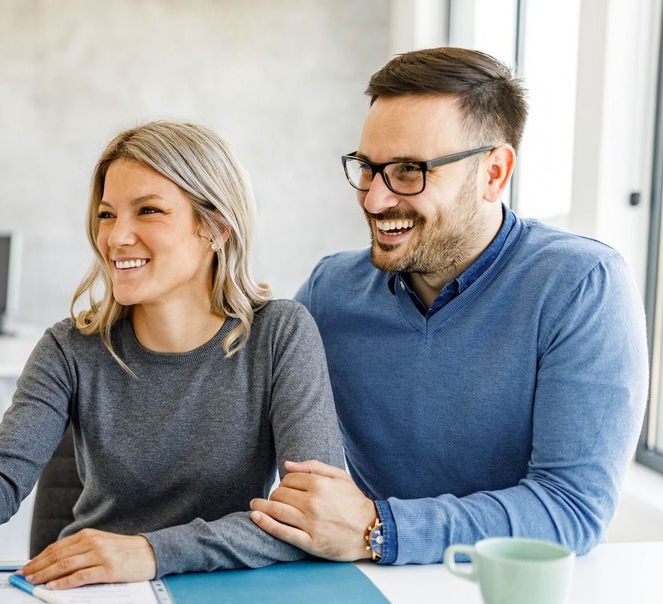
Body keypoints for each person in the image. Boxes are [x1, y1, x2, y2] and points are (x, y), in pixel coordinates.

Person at [249, 47, 649, 565]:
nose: (374, 199)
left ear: (494, 173)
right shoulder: (330, 290)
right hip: (357, 588)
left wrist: (379, 528)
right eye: (368, 169)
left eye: (410, 171)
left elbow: (570, 508)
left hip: (499, 601)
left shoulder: (580, 287)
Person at [0, 120, 345, 589]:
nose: (115, 238)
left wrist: (153, 552)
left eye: (148, 211)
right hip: (94, 596)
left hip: (226, 590)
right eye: (107, 214)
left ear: (215, 226)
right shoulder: (69, 349)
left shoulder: (279, 335)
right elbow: (2, 476)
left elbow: (313, 514)